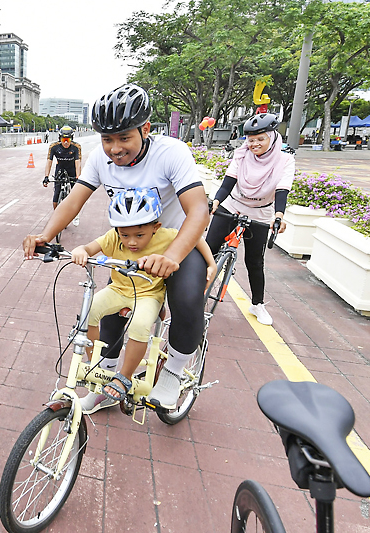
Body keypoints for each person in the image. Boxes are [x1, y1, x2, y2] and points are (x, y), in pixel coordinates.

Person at [24, 84, 211, 413]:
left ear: (146, 129)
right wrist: (45, 235)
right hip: (131, 244)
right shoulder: (99, 159)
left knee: (186, 299)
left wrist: (171, 257)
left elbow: (198, 210)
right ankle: (104, 382)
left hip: (176, 241)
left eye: (124, 137)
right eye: (107, 139)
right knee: (111, 310)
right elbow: (74, 201)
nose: (114, 148)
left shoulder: (171, 153)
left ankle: (174, 371)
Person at [71, 189, 215, 411]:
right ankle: (96, 365)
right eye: (124, 235)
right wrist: (81, 250)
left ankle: (124, 377)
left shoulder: (166, 235)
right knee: (88, 311)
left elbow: (195, 239)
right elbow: (90, 247)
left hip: (148, 294)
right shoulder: (113, 237)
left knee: (139, 326)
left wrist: (211, 262)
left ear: (155, 228)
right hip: (118, 289)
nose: (131, 243)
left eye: (139, 235)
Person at [205, 113, 294, 326]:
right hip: (233, 204)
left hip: (261, 211)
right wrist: (216, 202)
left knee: (254, 261)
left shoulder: (285, 160)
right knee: (208, 249)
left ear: (272, 137)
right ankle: (193, 288)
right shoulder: (241, 154)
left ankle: (257, 304)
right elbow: (228, 182)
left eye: (260, 139)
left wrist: (278, 216)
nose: (254, 144)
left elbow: (282, 190)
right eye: (251, 139)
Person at [43, 125, 82, 212]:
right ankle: (56, 215)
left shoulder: (76, 147)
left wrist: (78, 177)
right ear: (60, 139)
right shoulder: (54, 147)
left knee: (76, 194)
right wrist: (46, 177)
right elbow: (49, 161)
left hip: (72, 170)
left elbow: (78, 162)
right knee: (56, 193)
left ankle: (76, 214)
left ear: (71, 139)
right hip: (60, 169)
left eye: (68, 140)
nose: (65, 143)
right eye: (63, 140)